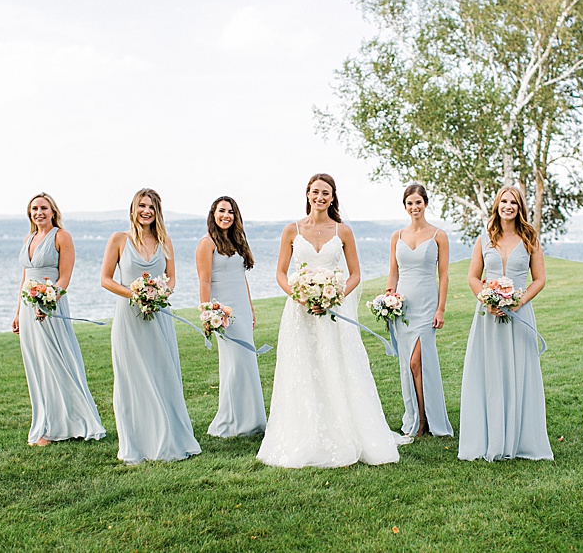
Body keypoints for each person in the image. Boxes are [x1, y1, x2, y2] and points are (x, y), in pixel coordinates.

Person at [257, 174, 407, 468]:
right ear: (308, 194)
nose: (320, 197)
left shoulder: (343, 232)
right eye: (315, 192)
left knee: (336, 366)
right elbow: (280, 274)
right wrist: (299, 295)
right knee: (302, 369)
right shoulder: (292, 230)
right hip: (299, 314)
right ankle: (302, 433)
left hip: (332, 312)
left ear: (333, 196)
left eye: (325, 193)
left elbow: (355, 275)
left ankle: (346, 432)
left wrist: (333, 296)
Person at [101, 188, 201, 464]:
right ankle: (137, 442)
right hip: (129, 317)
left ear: (158, 212)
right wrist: (136, 294)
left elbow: (171, 279)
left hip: (159, 315)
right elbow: (106, 279)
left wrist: (159, 294)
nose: (146, 211)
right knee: (132, 376)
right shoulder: (119, 240)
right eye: (141, 205)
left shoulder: (164, 240)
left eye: (151, 207)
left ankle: (169, 437)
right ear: (133, 209)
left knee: (162, 372)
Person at [457, 186, 553, 462]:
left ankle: (519, 438)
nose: (508, 206)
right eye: (503, 201)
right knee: (490, 372)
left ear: (520, 207)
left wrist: (518, 302)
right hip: (488, 316)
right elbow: (474, 277)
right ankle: (489, 437)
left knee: (518, 371)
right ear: (497, 205)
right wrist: (488, 301)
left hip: (519, 314)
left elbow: (539, 279)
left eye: (513, 202)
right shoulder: (484, 239)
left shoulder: (530, 238)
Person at [11, 193, 106, 446]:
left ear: (53, 211)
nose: (38, 212)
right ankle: (45, 422)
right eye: (34, 208)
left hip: (50, 306)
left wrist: (47, 301)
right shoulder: (28, 238)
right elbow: (24, 278)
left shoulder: (62, 237)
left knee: (57, 361)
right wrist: (18, 311)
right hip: (29, 307)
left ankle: (69, 423)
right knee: (37, 364)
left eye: (43, 208)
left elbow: (64, 278)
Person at [385, 184, 453, 438]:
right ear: (405, 206)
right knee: (408, 364)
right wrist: (388, 296)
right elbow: (394, 271)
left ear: (425, 204)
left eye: (418, 202)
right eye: (410, 203)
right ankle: (415, 415)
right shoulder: (397, 236)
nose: (414, 207)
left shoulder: (438, 236)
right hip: (403, 306)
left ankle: (426, 419)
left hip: (426, 304)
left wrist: (441, 309)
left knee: (417, 362)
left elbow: (444, 275)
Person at [195, 196, 266, 438]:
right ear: (213, 214)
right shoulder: (206, 243)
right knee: (236, 364)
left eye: (230, 211)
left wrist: (251, 308)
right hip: (223, 312)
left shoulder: (236, 241)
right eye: (221, 210)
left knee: (247, 362)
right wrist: (208, 313)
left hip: (242, 309)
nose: (226, 215)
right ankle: (233, 421)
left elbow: (241, 278)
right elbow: (204, 281)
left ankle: (253, 420)